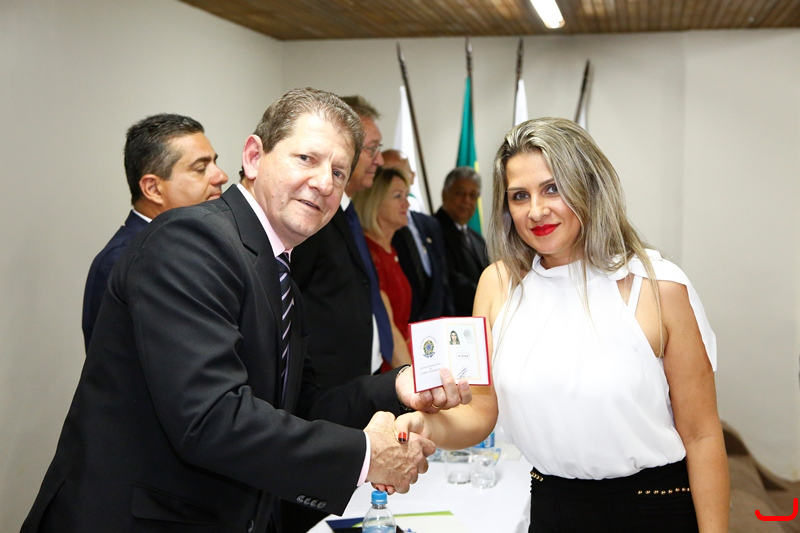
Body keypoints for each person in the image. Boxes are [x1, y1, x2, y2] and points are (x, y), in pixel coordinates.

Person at [22, 88, 472, 533]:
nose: (324, 183)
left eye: (338, 171)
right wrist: (367, 455)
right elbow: (211, 418)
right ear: (254, 157)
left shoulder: (276, 267)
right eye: (307, 159)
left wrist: (398, 385)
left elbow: (302, 405)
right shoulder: (190, 241)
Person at [398, 117, 729, 532]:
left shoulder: (658, 288)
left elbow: (701, 435)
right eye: (520, 196)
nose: (536, 211)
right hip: (551, 507)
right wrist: (425, 425)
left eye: (552, 188)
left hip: (653, 510)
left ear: (589, 187)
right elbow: (481, 411)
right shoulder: (498, 285)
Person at [81, 113, 228, 351]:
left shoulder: (193, 245)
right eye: (201, 168)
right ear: (153, 189)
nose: (221, 176)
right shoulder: (122, 259)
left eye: (215, 163)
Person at [292, 95, 396, 387]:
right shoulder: (313, 219)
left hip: (358, 381)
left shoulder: (348, 213)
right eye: (372, 149)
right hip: (324, 387)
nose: (380, 160)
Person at [352, 167, 413, 368]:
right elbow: (388, 329)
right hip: (391, 366)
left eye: (406, 195)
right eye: (398, 196)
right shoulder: (370, 254)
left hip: (405, 357)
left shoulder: (390, 249)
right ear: (374, 201)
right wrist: (412, 378)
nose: (407, 203)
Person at [383, 149, 454, 321]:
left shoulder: (431, 225)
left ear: (412, 177)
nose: (396, 179)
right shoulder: (376, 230)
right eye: (388, 174)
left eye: (400, 172)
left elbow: (443, 283)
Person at [434, 166, 488, 316]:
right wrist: (488, 296)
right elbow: (450, 280)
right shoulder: (433, 231)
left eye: (473, 195)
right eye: (460, 193)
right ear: (444, 194)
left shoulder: (477, 238)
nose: (466, 200)